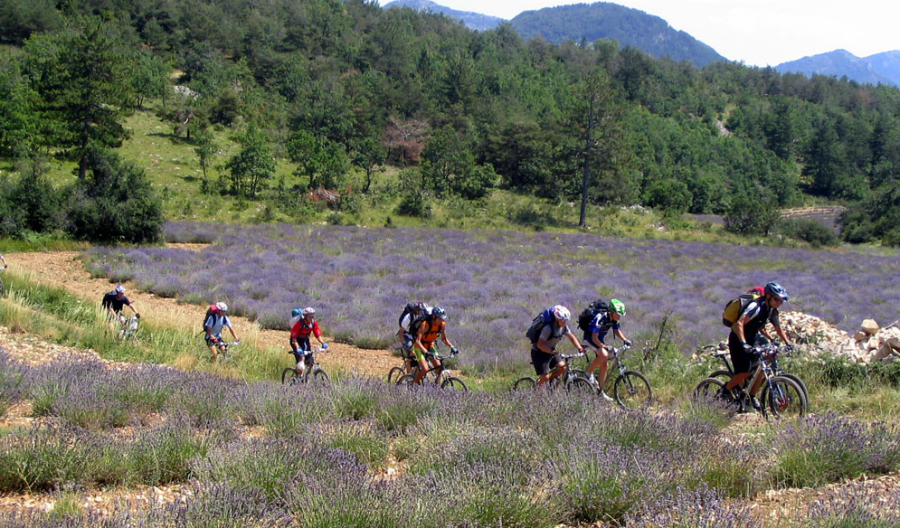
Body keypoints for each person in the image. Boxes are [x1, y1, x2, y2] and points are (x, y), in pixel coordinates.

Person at [723, 282, 793, 409]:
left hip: (752, 338)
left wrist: (788, 343)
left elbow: (778, 329)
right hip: (738, 339)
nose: (779, 303)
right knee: (744, 371)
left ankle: (751, 396)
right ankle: (725, 391)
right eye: (777, 299)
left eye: (781, 301)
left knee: (763, 366)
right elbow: (739, 324)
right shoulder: (756, 306)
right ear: (768, 296)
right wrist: (744, 343)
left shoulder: (772, 310)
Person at [582, 299, 632, 402]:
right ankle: (588, 373)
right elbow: (594, 338)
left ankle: (600, 392)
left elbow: (617, 330)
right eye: (618, 314)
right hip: (590, 339)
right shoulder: (600, 318)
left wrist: (625, 340)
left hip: (598, 339)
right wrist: (604, 347)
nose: (619, 317)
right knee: (604, 355)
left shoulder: (614, 319)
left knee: (605, 365)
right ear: (611, 312)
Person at [531, 305, 585, 386]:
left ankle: (551, 383)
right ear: (557, 319)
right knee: (545, 376)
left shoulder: (564, 327)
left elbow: (571, 337)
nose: (565, 323)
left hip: (551, 351)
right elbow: (540, 345)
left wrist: (580, 348)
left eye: (566, 321)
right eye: (563, 321)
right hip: (539, 353)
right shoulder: (548, 328)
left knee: (563, 367)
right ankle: (539, 394)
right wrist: (551, 351)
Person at [412, 306, 456, 384]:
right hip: (419, 347)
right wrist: (426, 352)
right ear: (434, 317)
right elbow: (417, 341)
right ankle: (413, 385)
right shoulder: (425, 324)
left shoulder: (442, 324)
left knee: (439, 367)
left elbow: (444, 339)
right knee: (425, 369)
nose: (441, 320)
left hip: (430, 346)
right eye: (439, 318)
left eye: (442, 318)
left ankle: (435, 387)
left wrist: (452, 347)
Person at [289, 307, 328, 373]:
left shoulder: (313, 323)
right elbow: (293, 339)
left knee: (309, 361)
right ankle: (299, 379)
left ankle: (307, 378)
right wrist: (298, 349)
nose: (312, 318)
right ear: (305, 317)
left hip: (305, 340)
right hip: (296, 341)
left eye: (312, 316)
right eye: (310, 316)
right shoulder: (299, 324)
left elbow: (317, 335)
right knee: (301, 359)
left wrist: (323, 343)